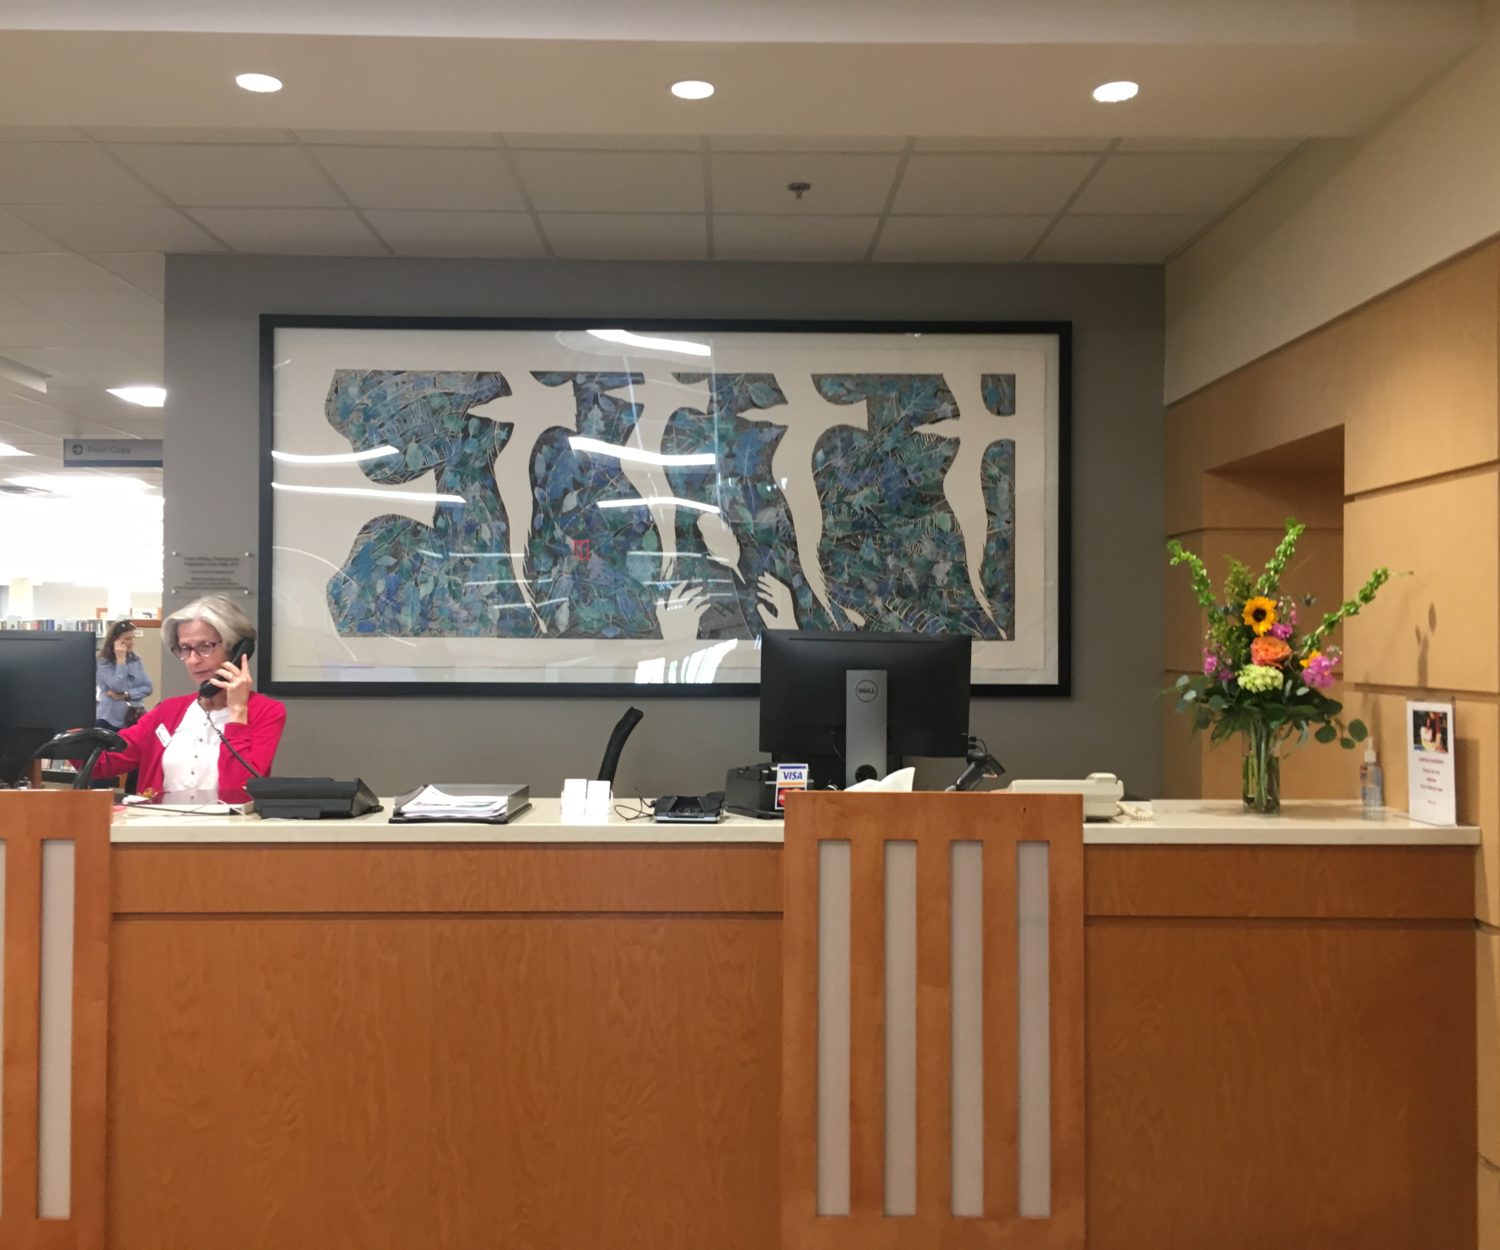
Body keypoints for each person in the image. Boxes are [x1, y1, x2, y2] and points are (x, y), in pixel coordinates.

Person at [83, 595, 285, 804]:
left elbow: (240, 792)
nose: (193, 660)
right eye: (185, 648)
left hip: (227, 832)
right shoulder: (168, 711)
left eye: (205, 646)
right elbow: (102, 763)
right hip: (161, 831)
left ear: (236, 650)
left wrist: (237, 712)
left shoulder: (267, 712)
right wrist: (66, 722)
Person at [95, 620, 153, 730]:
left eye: (132, 638)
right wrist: (121, 660)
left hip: (133, 717)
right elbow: (118, 687)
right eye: (127, 639)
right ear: (115, 641)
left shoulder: (136, 660)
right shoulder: (103, 662)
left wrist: (126, 695)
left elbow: (148, 688)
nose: (131, 642)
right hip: (109, 720)